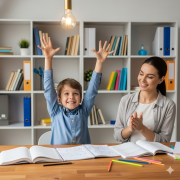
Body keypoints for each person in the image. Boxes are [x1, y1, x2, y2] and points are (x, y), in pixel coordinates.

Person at [38, 37, 114, 144]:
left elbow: (92, 90)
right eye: (66, 94)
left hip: (83, 157)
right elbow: (49, 89)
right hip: (60, 157)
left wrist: (99, 62)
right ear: (58, 99)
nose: (71, 97)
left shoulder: (84, 110)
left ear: (81, 98)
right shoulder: (55, 111)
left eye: (75, 93)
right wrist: (48, 59)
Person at [114, 56, 176, 143]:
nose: (142, 80)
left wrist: (141, 128)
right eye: (141, 74)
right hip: (128, 154)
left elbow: (165, 141)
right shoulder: (125, 100)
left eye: (149, 77)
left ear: (161, 80)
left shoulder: (168, 105)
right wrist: (130, 128)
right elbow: (117, 136)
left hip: (153, 156)